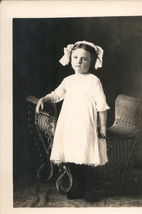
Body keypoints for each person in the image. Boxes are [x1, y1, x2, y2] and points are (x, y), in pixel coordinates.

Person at [36, 40, 110, 202]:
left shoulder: (93, 81)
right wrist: (45, 98)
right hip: (69, 124)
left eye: (84, 59)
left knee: (85, 156)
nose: (79, 61)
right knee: (72, 155)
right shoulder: (68, 80)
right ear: (70, 58)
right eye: (75, 57)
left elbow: (102, 106)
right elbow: (56, 94)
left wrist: (103, 126)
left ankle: (88, 189)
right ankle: (77, 187)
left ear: (91, 62)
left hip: (86, 124)